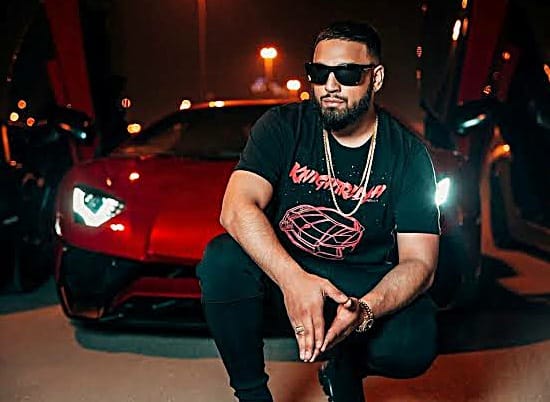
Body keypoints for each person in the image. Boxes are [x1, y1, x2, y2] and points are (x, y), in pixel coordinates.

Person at [197, 20, 440, 402]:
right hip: (287, 272)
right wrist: (292, 279)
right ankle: (252, 395)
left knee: (415, 340)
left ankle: (345, 366)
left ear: (375, 78)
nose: (330, 85)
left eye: (347, 73)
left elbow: (420, 263)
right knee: (222, 260)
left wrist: (364, 311)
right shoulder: (283, 126)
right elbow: (235, 208)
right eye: (319, 72)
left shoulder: (409, 154)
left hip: (359, 284)